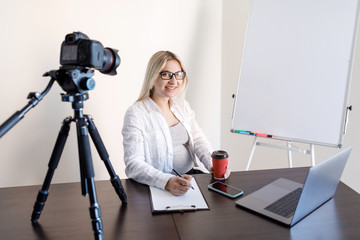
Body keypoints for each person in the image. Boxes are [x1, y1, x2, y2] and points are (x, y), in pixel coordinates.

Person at [122, 50, 214, 196]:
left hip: (190, 179)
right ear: (152, 77)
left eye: (178, 74)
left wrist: (213, 164)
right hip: (158, 186)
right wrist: (166, 182)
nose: (174, 81)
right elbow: (134, 164)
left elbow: (198, 139)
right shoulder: (136, 114)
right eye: (166, 74)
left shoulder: (182, 105)